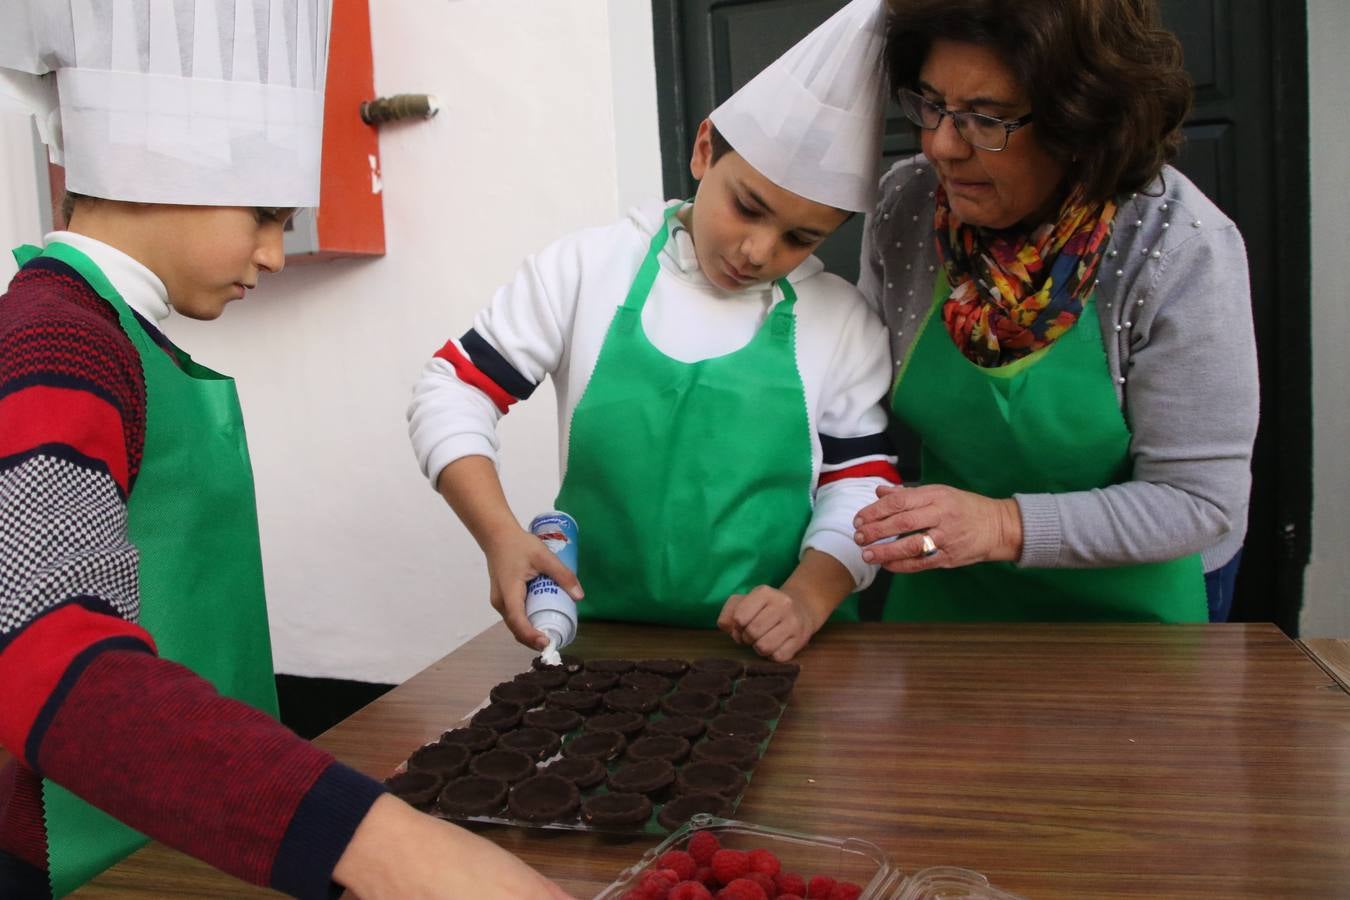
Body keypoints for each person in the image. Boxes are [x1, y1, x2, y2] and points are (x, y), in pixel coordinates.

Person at [0, 5, 572, 898]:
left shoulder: (113, 333)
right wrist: (397, 849)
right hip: (78, 854)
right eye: (265, 214)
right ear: (158, 166)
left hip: (189, 827)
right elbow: (45, 651)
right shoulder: (56, 344)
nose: (273, 253)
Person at [409, 0, 900, 663]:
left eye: (799, 238)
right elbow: (452, 389)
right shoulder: (587, 269)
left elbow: (862, 484)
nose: (758, 251)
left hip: (782, 653)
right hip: (597, 640)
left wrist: (808, 598)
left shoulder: (840, 322)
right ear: (704, 150)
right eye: (746, 207)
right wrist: (497, 532)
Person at [851, 0, 1259, 623]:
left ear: (1083, 123)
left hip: (1135, 608)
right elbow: (848, 396)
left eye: (986, 119)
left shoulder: (1177, 246)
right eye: (931, 103)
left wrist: (1000, 524)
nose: (939, 146)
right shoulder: (906, 208)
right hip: (951, 594)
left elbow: (1198, 503)